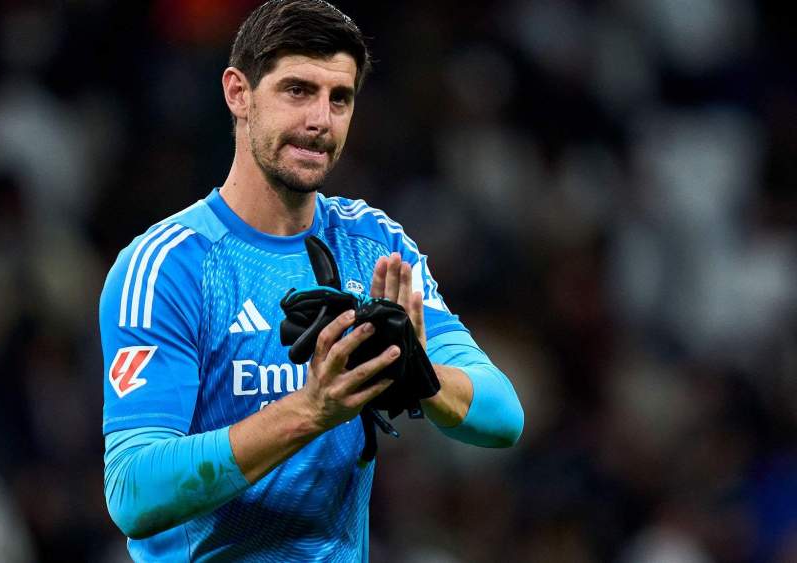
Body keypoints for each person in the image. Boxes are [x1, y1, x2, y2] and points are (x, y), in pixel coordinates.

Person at [99, 1, 524, 560]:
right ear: (238, 93)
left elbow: (503, 416)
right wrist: (311, 409)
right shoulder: (166, 266)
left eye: (339, 98)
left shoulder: (373, 243)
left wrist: (420, 375)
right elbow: (132, 492)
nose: (321, 120)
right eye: (297, 90)